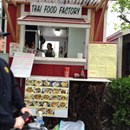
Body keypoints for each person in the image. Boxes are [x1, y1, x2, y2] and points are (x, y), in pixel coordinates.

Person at [0, 30, 32, 130]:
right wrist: (10, 121)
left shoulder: (3, 64)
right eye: (0, 38)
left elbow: (13, 87)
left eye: (3, 38)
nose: (3, 41)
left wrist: (21, 106)